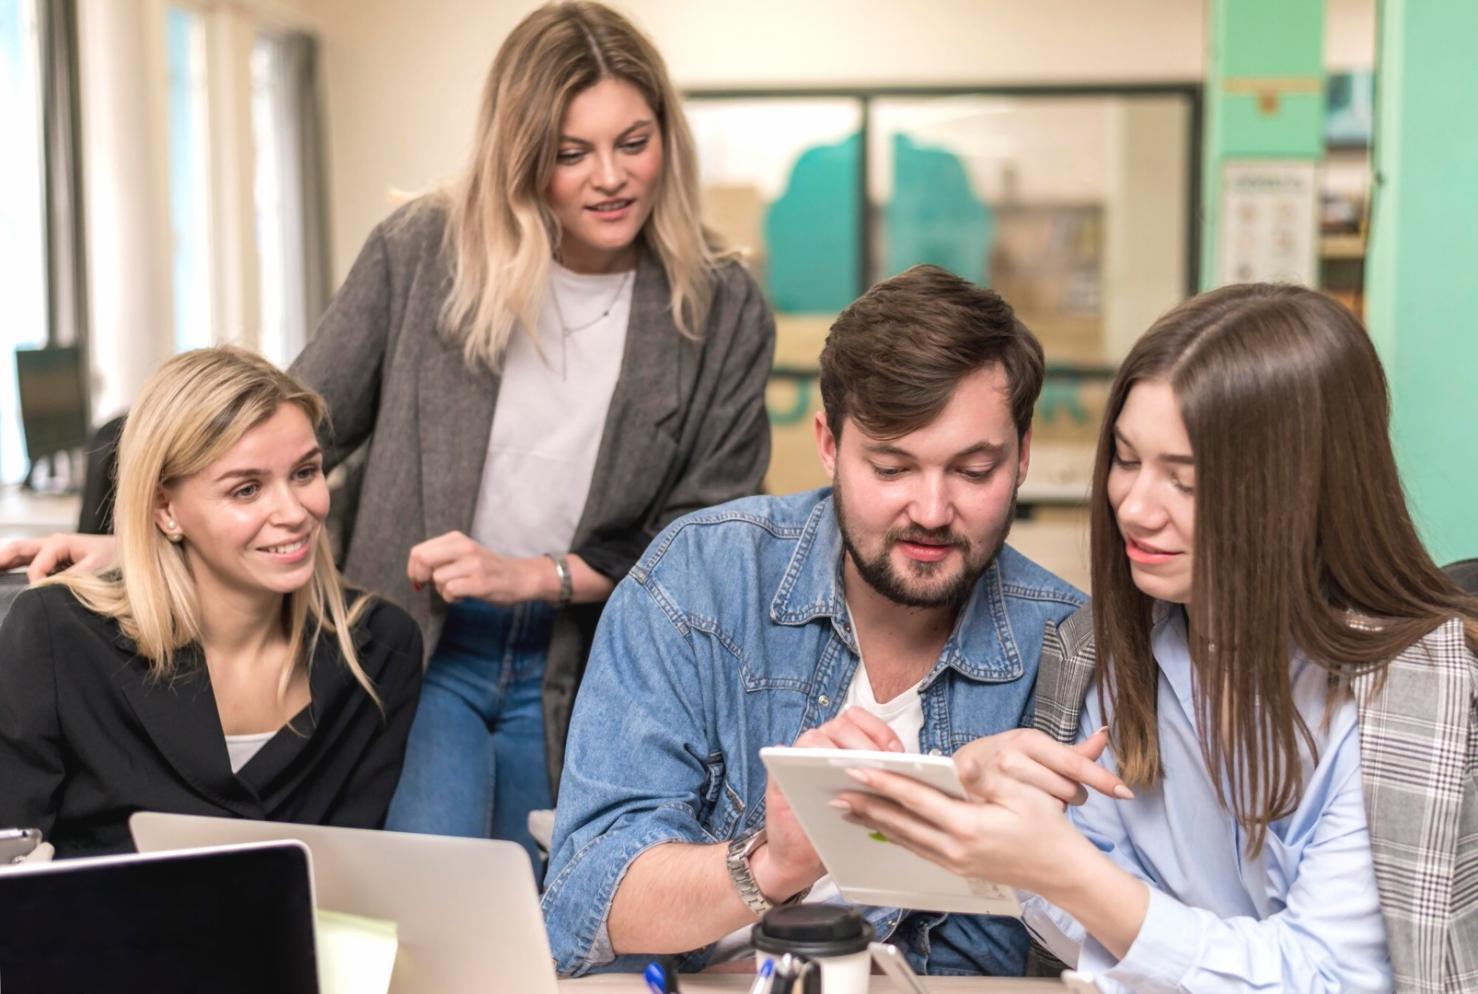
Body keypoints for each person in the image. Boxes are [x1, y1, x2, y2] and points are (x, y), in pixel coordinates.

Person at [1, 0, 775, 867]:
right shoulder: (424, 251)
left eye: (633, 143)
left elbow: (714, 527)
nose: (610, 177)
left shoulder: (720, 303)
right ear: (521, 154)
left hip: (580, 654)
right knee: (426, 896)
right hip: (419, 635)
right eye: (570, 152)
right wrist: (144, 542)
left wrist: (538, 575)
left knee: (545, 906)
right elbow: (290, 433)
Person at [839, 283, 1478, 993]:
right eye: (1126, 459)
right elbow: (1080, 929)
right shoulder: (1104, 652)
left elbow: (1338, 978)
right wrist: (1017, 825)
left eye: (1187, 481)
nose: (1136, 508)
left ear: (1298, 492)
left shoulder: (1412, 693)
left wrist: (1068, 871)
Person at [542, 266, 1125, 978]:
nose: (933, 511)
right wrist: (777, 859)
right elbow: (581, 907)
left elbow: (1112, 946)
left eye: (973, 472)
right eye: (892, 469)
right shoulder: (700, 579)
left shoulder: (1072, 651)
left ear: (1023, 454)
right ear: (828, 444)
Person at [0, 347, 423, 859]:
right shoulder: (56, 637)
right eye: (247, 490)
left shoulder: (378, 650)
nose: (293, 512)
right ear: (165, 509)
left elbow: (361, 881)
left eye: (306, 473)